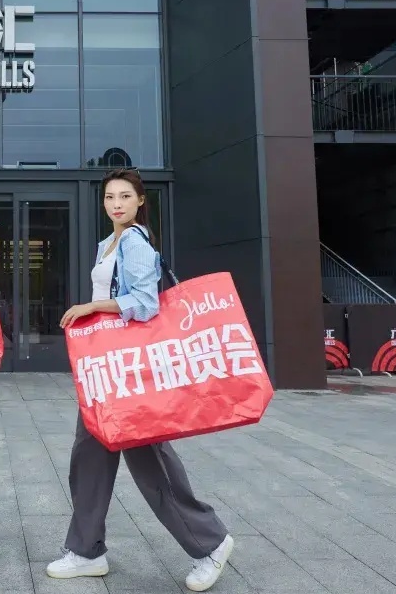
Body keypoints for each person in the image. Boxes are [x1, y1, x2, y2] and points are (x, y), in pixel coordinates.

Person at [51, 168, 234, 593]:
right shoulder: (108, 243)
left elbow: (147, 303)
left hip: (130, 370)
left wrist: (91, 308)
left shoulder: (134, 241)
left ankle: (210, 543)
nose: (116, 204)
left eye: (124, 196)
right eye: (109, 197)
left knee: (151, 464)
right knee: (89, 458)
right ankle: (86, 551)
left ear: (140, 201)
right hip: (108, 366)